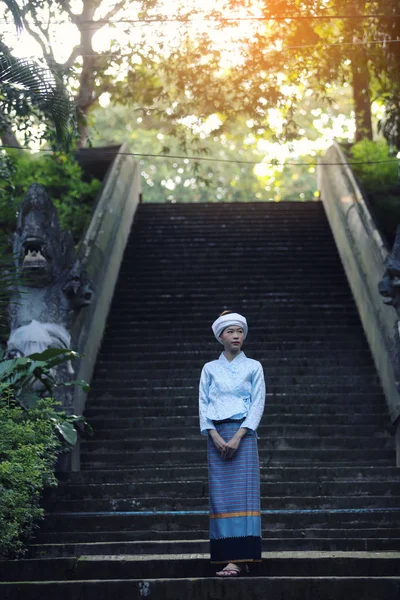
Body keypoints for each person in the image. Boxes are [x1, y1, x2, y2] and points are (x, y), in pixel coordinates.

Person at [199, 310, 266, 577]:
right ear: (220, 336)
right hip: (216, 436)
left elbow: (258, 402)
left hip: (244, 436)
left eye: (239, 331)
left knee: (245, 497)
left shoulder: (253, 367)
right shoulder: (209, 369)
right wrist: (214, 436)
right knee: (221, 498)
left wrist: (238, 435)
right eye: (230, 331)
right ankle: (229, 556)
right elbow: (203, 404)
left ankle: (240, 559)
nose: (236, 335)